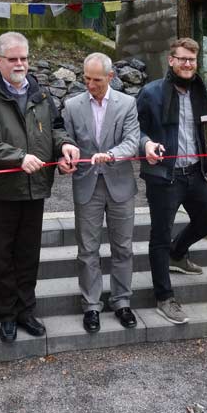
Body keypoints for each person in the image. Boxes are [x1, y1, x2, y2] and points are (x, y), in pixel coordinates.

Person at [0, 32, 80, 343]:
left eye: (24, 58)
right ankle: (6, 313)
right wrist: (18, 157)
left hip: (35, 187)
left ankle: (26, 310)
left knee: (29, 253)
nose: (20, 64)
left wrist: (65, 147)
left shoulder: (41, 94)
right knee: (2, 255)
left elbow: (56, 129)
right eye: (13, 59)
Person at [137, 37, 207, 325]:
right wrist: (146, 144)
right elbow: (136, 130)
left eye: (192, 60)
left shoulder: (199, 91)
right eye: (182, 59)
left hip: (194, 172)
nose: (187, 64)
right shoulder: (151, 93)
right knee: (159, 235)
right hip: (164, 176)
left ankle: (177, 253)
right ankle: (164, 297)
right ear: (171, 60)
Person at [60, 53, 140, 333]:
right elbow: (65, 140)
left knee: (123, 248)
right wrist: (64, 157)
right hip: (86, 185)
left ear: (111, 77)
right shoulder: (71, 106)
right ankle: (91, 306)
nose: (90, 85)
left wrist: (112, 154)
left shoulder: (127, 104)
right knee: (87, 250)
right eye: (86, 79)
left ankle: (122, 301)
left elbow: (132, 141)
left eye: (96, 80)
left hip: (120, 185)